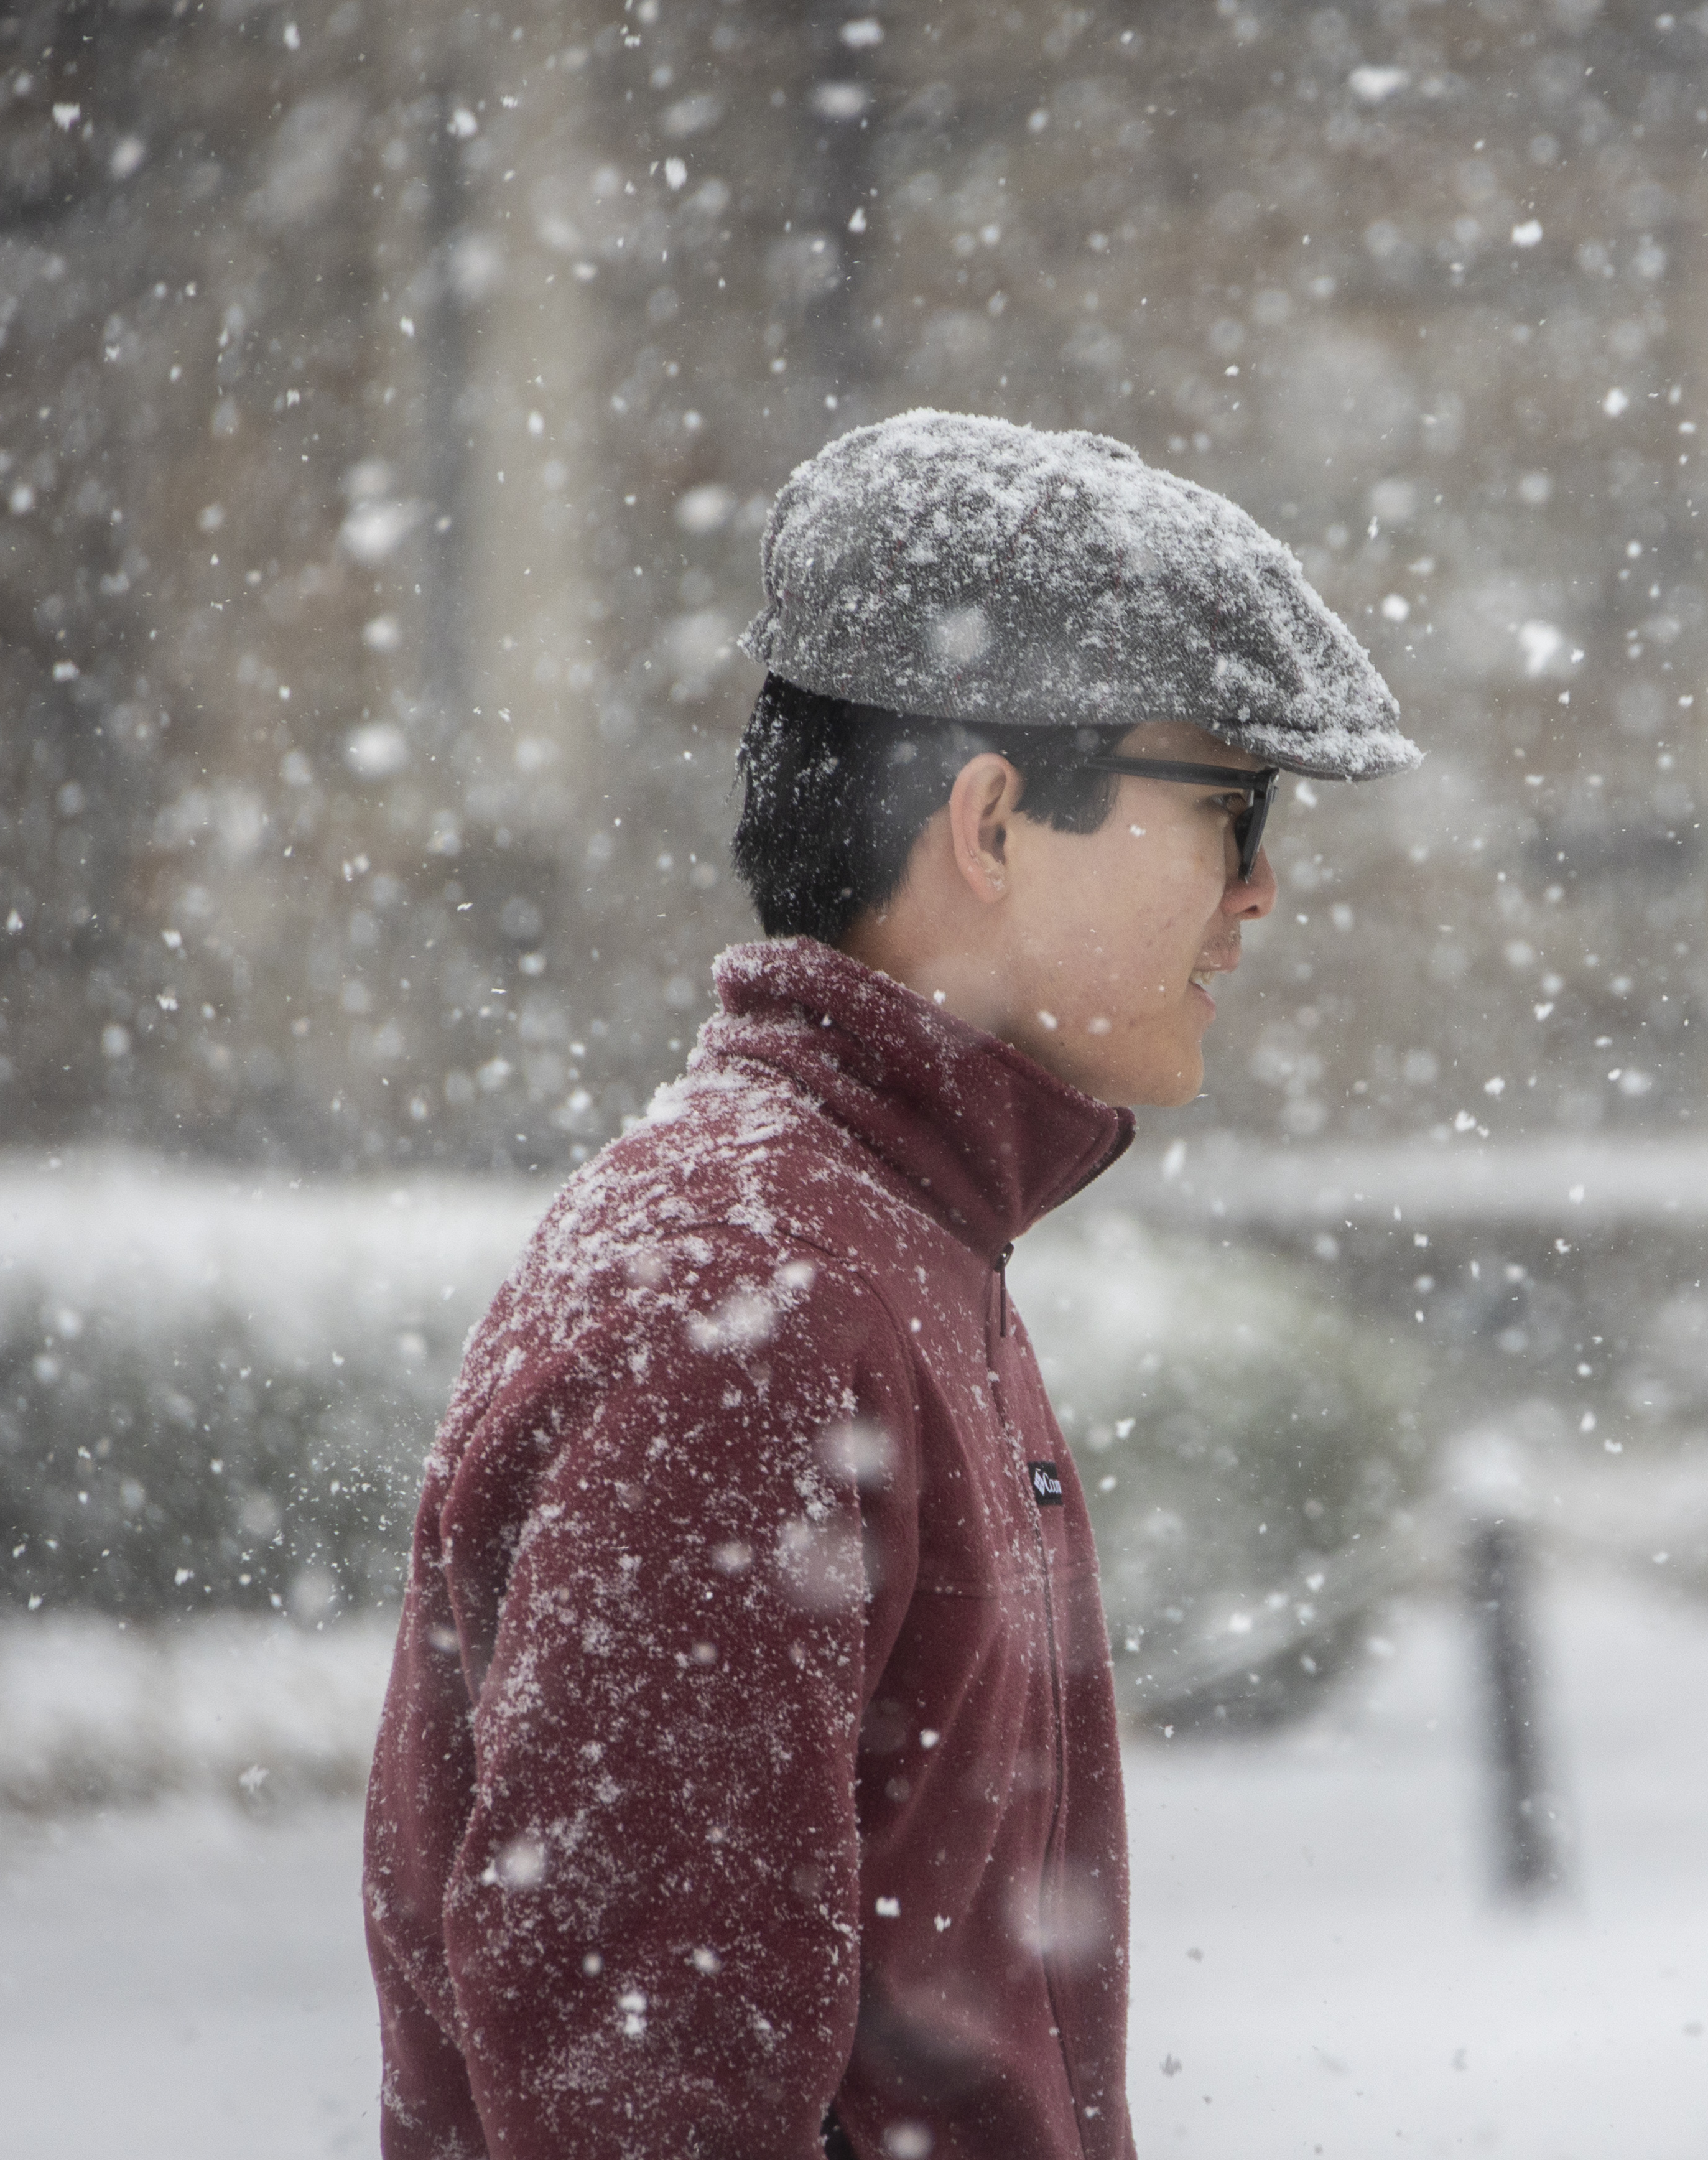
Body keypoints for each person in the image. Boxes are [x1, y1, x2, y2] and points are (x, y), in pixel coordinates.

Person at [362, 411, 1419, 2160]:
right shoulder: (749, 1311)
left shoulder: (885, 1248)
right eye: (1230, 809)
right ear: (994, 820)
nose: (1260, 891)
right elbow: (652, 2099)